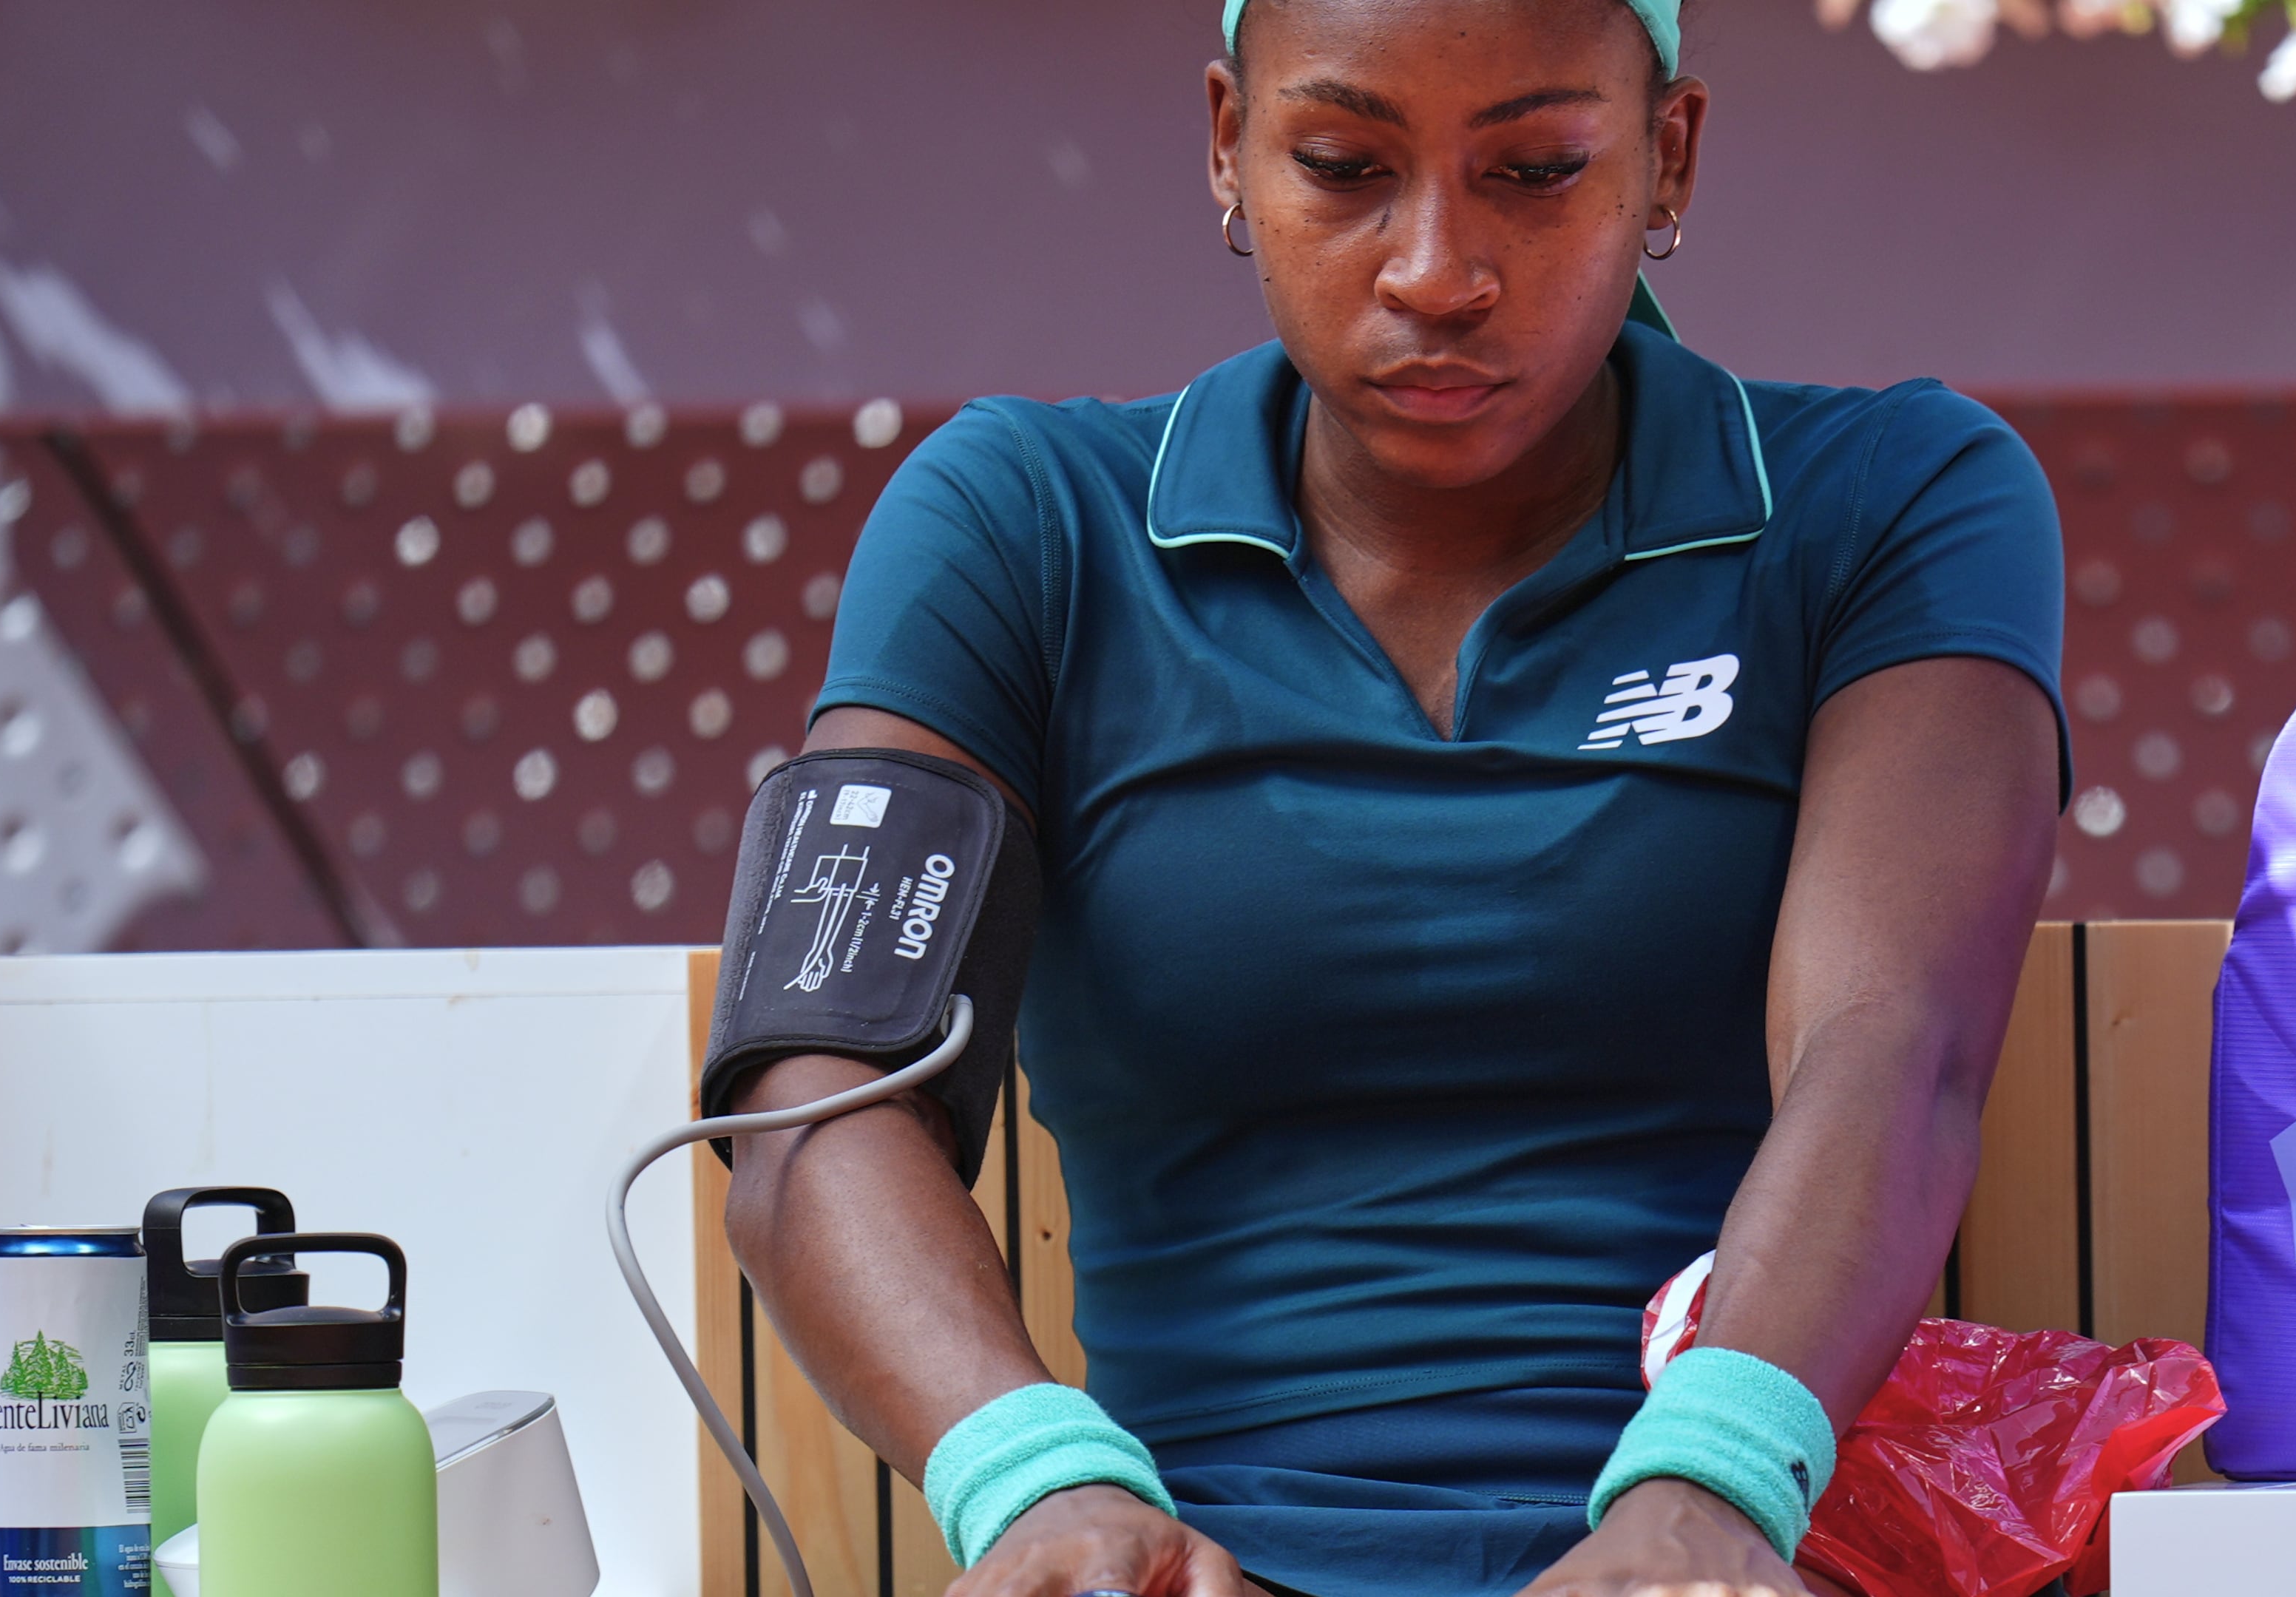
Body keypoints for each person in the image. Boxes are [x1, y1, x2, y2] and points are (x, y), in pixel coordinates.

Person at [714, 2, 2066, 1594]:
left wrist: (1709, 1490)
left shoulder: (1886, 503)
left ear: (1668, 155)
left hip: (1730, 1547)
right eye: (1345, 164)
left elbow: (1895, 1053)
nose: (1436, 271)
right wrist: (1038, 1486)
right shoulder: (1026, 528)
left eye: (1537, 170)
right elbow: (816, 1095)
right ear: (1231, 144)